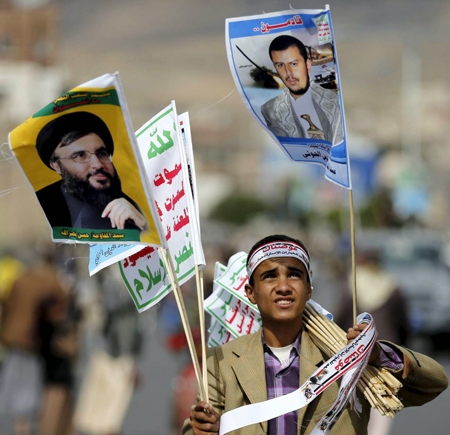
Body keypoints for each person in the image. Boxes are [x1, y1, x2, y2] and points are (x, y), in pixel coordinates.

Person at [182, 234, 448, 435]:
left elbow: (433, 383)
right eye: (270, 276)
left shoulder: (346, 357)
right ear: (250, 292)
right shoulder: (222, 361)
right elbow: (193, 428)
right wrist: (203, 430)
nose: (283, 286)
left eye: (294, 275)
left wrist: (377, 355)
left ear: (309, 289)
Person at [334, 249, 410, 435]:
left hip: (355, 350)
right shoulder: (391, 286)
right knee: (382, 402)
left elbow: (340, 316)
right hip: (385, 351)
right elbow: (402, 320)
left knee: (356, 400)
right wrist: (401, 345)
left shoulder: (350, 285)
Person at [35, 111, 145, 231]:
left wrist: (142, 226)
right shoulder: (41, 209)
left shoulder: (133, 207)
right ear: (57, 166)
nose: (98, 165)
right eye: (80, 155)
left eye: (102, 154)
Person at [260, 35, 343, 144]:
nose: (289, 73)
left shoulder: (336, 99)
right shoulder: (270, 110)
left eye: (294, 64)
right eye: (280, 65)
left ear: (307, 65)